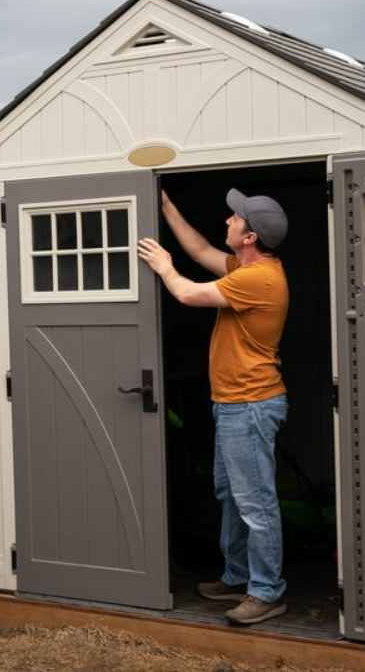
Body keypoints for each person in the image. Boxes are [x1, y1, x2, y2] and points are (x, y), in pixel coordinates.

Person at [136, 187, 290, 625]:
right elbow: (200, 248)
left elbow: (186, 293)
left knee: (255, 503)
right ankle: (238, 576)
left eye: (235, 218)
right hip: (233, 405)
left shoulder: (257, 279)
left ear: (250, 237)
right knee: (231, 495)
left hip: (251, 405)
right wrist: (165, 203)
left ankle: (266, 591)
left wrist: (164, 267)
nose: (227, 220)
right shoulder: (247, 266)